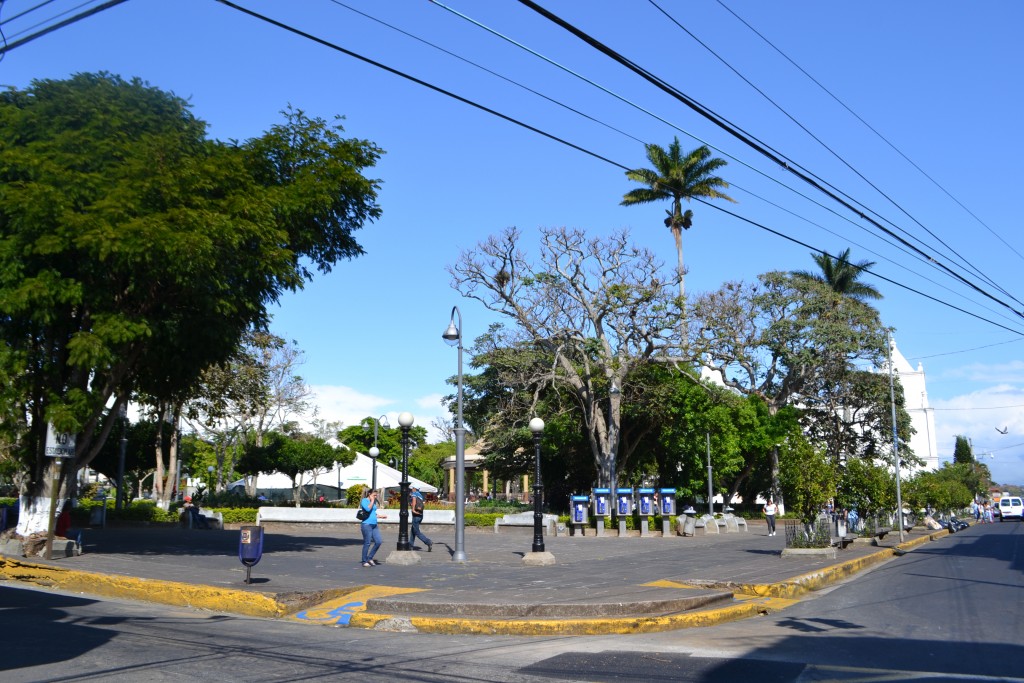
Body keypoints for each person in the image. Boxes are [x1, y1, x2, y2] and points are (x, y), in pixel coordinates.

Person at [359, 490, 386, 567]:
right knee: (367, 543)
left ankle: (370, 557)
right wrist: (372, 500)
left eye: (376, 495)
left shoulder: (372, 501)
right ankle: (364, 561)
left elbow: (372, 512)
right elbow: (368, 509)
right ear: (369, 494)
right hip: (367, 524)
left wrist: (380, 516)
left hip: (374, 524)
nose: (375, 496)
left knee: (378, 541)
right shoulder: (364, 500)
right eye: (374, 495)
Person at [408, 485, 433, 552]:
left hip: (416, 515)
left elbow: (414, 501)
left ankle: (428, 542)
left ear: (415, 489)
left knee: (416, 532)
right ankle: (410, 545)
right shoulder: (420, 495)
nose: (411, 489)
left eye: (412, 488)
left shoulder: (414, 494)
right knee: (413, 530)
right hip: (420, 515)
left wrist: (413, 510)